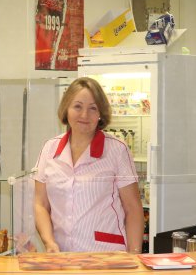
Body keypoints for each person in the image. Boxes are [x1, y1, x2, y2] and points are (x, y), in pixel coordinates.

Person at [33, 77, 144, 253]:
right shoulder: (50, 148)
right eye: (77, 106)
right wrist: (49, 242)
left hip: (106, 255)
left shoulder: (117, 150)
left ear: (100, 113)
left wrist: (135, 255)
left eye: (93, 108)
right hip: (61, 255)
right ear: (66, 109)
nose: (84, 115)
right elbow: (40, 204)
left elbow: (133, 209)